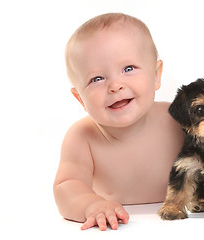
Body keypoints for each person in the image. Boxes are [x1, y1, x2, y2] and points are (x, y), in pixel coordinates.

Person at [53, 13, 183, 231]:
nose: (115, 85)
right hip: (124, 229)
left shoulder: (177, 118)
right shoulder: (82, 137)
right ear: (80, 98)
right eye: (97, 79)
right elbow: (66, 186)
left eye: (128, 69)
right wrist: (91, 205)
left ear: (156, 75)